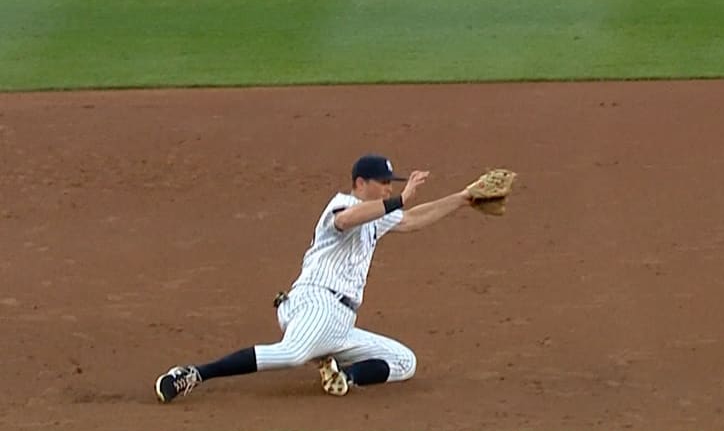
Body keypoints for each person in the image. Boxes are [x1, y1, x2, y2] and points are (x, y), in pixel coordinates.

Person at [155, 154, 481, 403]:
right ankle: (193, 373)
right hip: (315, 302)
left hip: (338, 322)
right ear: (360, 183)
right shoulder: (342, 205)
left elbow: (410, 221)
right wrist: (399, 199)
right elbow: (352, 219)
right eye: (382, 182)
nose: (388, 187)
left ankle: (342, 375)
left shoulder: (377, 216)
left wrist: (463, 198)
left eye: (390, 183)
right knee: (294, 354)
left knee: (403, 361)